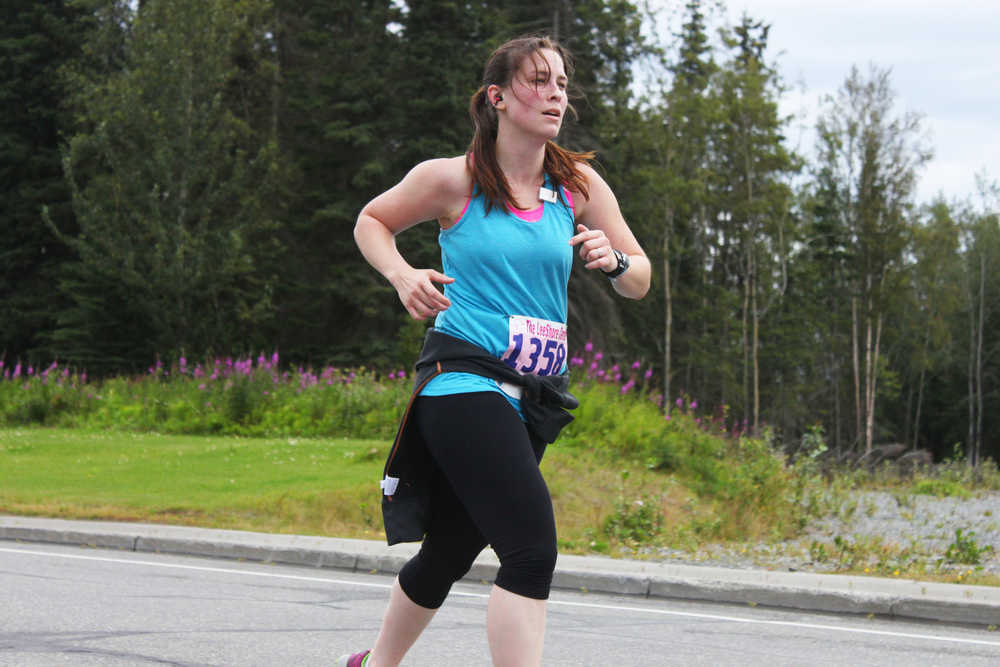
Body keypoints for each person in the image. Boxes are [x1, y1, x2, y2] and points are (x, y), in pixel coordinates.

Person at [341, 34, 649, 667]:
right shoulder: (451, 179)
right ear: (499, 97)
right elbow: (371, 221)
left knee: (450, 552)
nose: (555, 94)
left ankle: (374, 665)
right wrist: (405, 276)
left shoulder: (577, 185)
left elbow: (640, 276)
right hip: (463, 380)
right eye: (539, 81)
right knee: (532, 552)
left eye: (562, 83)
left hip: (534, 397)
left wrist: (613, 260)